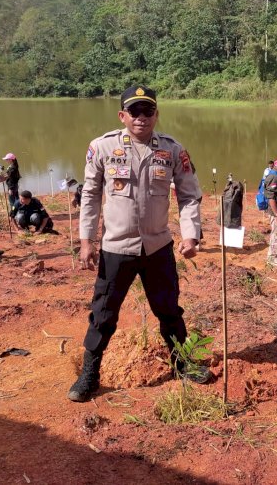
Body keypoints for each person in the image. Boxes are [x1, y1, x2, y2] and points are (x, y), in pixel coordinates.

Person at [69, 85, 203, 402]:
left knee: (169, 310)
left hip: (158, 248)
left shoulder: (172, 150)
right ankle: (89, 374)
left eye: (147, 111)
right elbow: (89, 196)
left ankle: (182, 363)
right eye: (134, 111)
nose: (141, 117)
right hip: (116, 248)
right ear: (123, 115)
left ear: (156, 114)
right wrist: (86, 240)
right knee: (103, 314)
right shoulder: (102, 148)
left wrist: (190, 234)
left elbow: (188, 195)